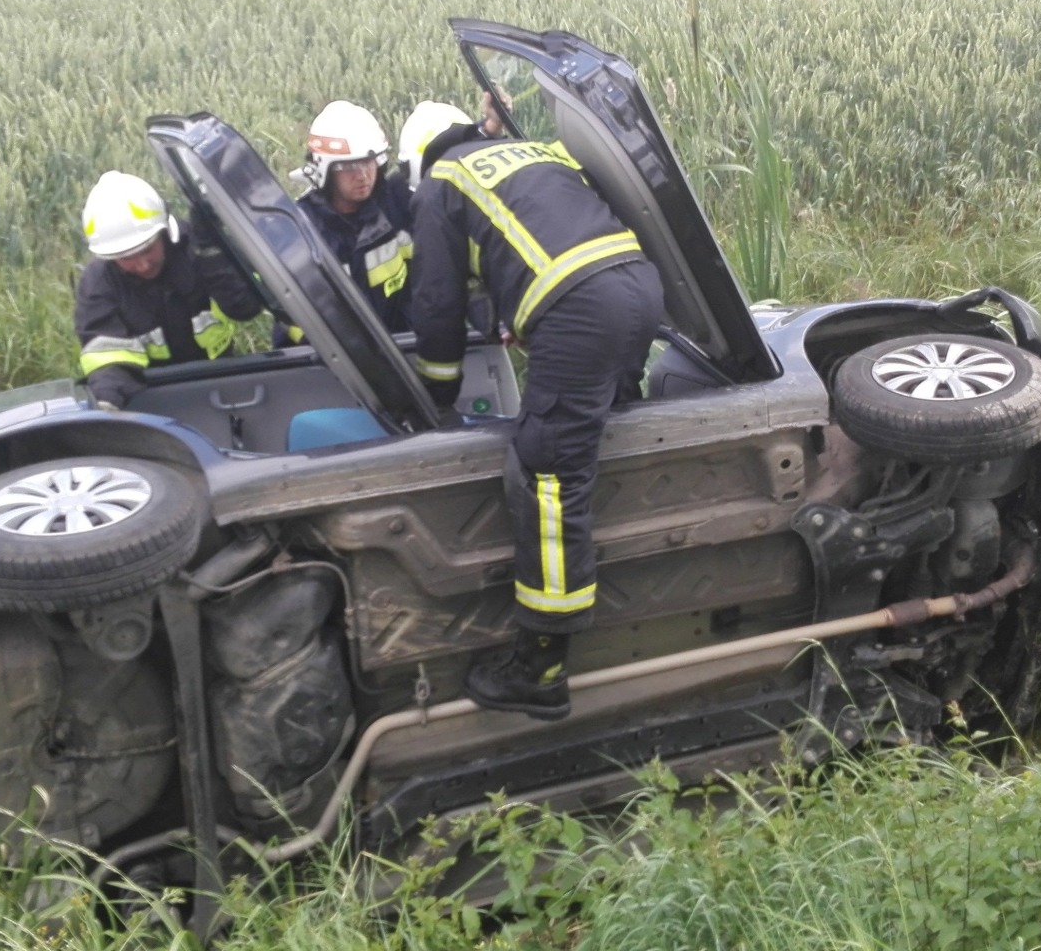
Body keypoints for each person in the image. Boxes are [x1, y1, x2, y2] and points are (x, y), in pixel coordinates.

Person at [407, 111, 665, 721]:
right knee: (606, 437)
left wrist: (433, 402)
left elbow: (436, 302)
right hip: (638, 286)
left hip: (580, 309)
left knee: (546, 475)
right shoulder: (526, 153)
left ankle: (542, 666)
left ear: (418, 157)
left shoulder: (442, 180)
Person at [74, 170, 263, 409]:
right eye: (126, 258)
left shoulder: (198, 247)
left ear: (165, 232)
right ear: (109, 257)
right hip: (154, 394)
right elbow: (108, 357)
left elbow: (244, 306)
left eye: (147, 250)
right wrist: (108, 401)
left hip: (219, 380)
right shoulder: (99, 283)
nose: (142, 265)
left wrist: (213, 252)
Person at [284, 101, 417, 342]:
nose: (363, 175)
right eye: (350, 166)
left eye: (368, 162)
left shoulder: (394, 204)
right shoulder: (300, 230)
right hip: (334, 368)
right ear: (325, 169)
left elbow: (438, 171)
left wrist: (487, 130)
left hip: (400, 357)